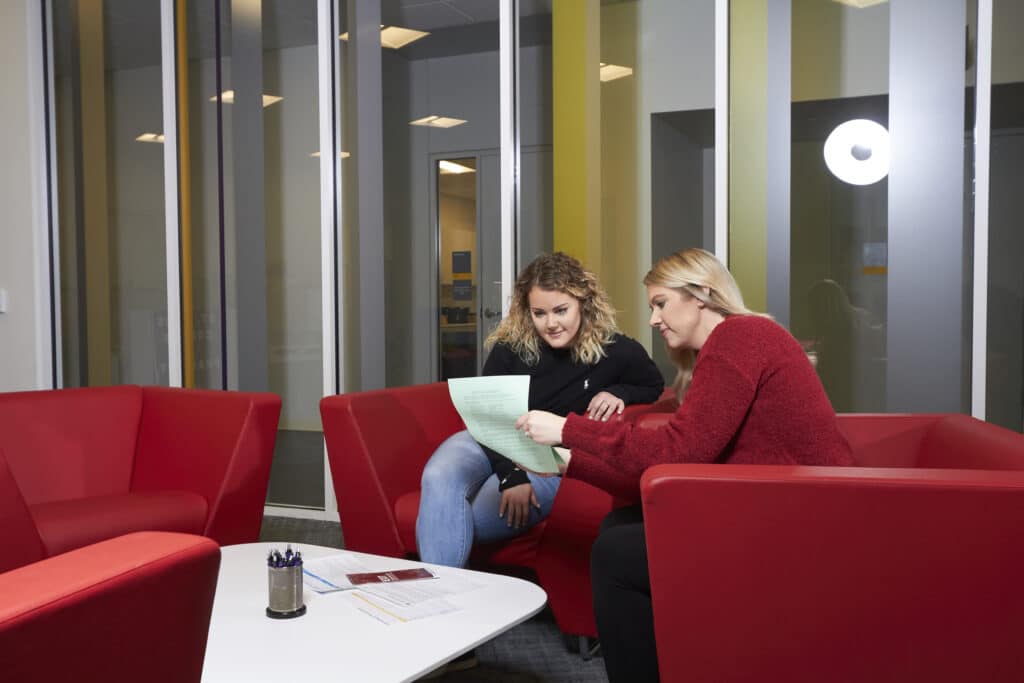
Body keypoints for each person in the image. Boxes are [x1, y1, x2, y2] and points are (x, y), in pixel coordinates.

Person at [516, 247, 855, 683]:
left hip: (805, 518)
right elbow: (674, 468)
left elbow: (678, 455)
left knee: (617, 554)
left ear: (701, 296)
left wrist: (569, 431)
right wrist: (570, 465)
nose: (654, 318)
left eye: (661, 303)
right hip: (770, 502)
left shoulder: (742, 338)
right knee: (620, 526)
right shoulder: (725, 347)